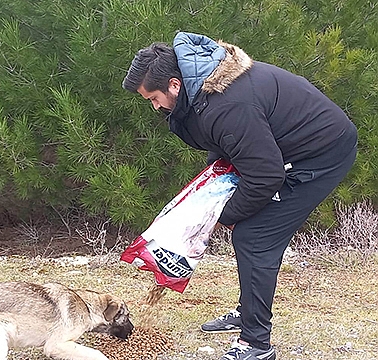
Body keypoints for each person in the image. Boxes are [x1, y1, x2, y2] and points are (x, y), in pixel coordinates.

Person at [122, 32, 357, 360]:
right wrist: (212, 201)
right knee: (244, 226)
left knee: (255, 237)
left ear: (175, 85)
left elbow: (266, 175)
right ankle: (247, 311)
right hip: (281, 150)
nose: (155, 107)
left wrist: (222, 216)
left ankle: (256, 344)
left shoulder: (227, 103)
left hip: (321, 153)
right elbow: (225, 145)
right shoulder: (203, 92)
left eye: (153, 98)